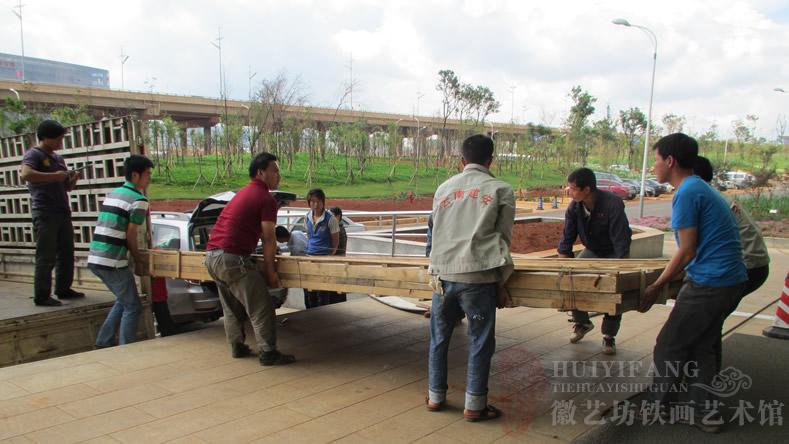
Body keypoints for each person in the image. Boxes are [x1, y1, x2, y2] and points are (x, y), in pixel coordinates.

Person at [639, 133, 746, 432]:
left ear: (670, 161)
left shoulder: (686, 192)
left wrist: (656, 285)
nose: (653, 168)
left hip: (712, 283)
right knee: (702, 346)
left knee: (668, 345)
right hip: (730, 279)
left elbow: (687, 250)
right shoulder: (700, 187)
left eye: (656, 160)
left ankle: (659, 407)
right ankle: (704, 412)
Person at [426, 134, 515, 422]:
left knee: (439, 337)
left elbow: (433, 233)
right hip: (478, 280)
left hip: (442, 277)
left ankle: (435, 397)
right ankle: (474, 405)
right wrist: (501, 282)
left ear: (461, 160)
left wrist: (434, 267)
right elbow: (503, 240)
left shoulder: (443, 189)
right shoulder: (501, 190)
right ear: (491, 160)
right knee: (479, 340)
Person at [204, 152, 295, 366]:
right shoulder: (265, 198)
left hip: (211, 256)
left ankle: (237, 345)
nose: (278, 175)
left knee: (231, 305)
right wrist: (272, 272)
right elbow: (269, 238)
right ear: (261, 172)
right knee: (261, 306)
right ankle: (268, 352)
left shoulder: (243, 193)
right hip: (232, 258)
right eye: (275, 170)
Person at [693, 156, 770, 370]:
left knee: (706, 322)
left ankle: (704, 379)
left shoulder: (701, 199)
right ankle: (704, 376)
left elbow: (691, 249)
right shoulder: (713, 196)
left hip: (746, 267)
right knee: (710, 321)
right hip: (754, 265)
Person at [556, 167, 632, 355]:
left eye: (573, 188)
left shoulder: (612, 203)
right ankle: (582, 323)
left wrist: (619, 266)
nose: (569, 192)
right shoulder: (574, 207)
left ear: (587, 190)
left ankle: (609, 336)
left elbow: (620, 238)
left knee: (612, 290)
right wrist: (563, 266)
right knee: (570, 280)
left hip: (614, 251)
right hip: (592, 250)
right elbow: (567, 238)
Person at [88, 155, 153, 347]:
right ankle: (127, 347)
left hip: (96, 257)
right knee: (133, 306)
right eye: (147, 174)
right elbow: (130, 234)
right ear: (135, 175)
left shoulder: (114, 193)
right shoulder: (139, 200)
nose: (149, 179)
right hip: (113, 261)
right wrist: (138, 259)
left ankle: (103, 341)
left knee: (124, 300)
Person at [20, 120, 84, 306]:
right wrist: (54, 176)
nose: (60, 142)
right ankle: (42, 295)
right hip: (45, 211)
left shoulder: (58, 159)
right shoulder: (34, 154)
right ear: (45, 137)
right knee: (46, 255)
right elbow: (25, 174)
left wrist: (73, 179)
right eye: (57, 138)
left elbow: (67, 188)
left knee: (66, 252)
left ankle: (63, 289)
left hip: (62, 211)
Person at [303, 188, 340, 308]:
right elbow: (308, 235)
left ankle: (323, 315)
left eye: (318, 201)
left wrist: (330, 255)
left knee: (323, 291)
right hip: (309, 258)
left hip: (324, 259)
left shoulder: (331, 219)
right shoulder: (307, 217)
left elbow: (335, 240)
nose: (315, 204)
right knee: (309, 290)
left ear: (323, 202)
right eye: (312, 201)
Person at [328, 206, 348, 304]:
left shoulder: (338, 229)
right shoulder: (340, 227)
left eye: (331, 216)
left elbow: (334, 247)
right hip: (339, 260)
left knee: (336, 290)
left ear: (338, 216)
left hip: (337, 261)